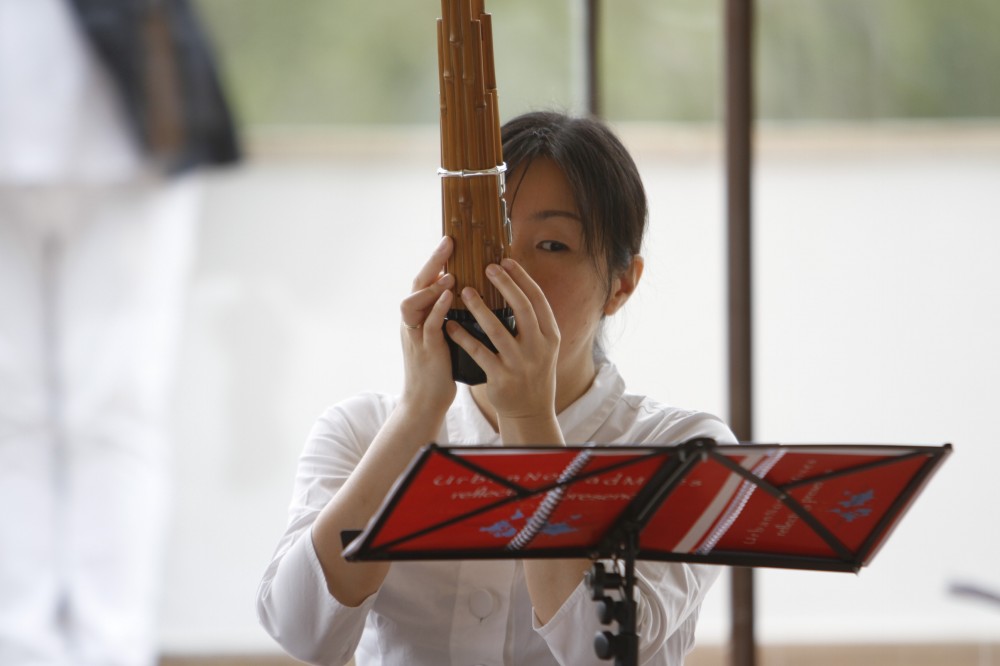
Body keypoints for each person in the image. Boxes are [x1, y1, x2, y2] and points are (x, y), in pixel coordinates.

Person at [256, 111, 735, 666]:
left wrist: (529, 423)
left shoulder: (683, 451)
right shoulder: (360, 431)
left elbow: (605, 652)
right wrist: (418, 413)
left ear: (621, 285)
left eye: (552, 245)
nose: (504, 270)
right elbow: (302, 632)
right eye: (486, 237)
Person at [0, 1, 239, 664]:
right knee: (11, 414)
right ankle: (21, 648)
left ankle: (112, 648)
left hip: (132, 122)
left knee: (118, 407)